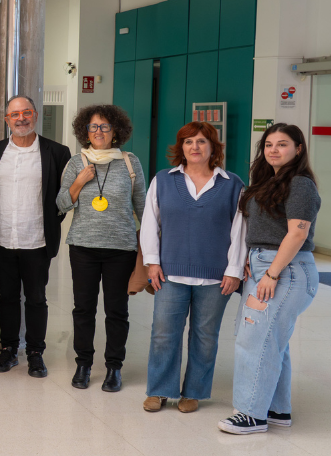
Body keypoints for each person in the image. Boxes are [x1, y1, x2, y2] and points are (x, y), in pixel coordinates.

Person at [219, 123, 320, 435]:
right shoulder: (271, 181)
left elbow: (298, 232)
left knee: (254, 340)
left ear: (298, 149)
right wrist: (251, 260)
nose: (274, 150)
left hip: (285, 271)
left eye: (283, 144)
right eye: (269, 145)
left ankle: (251, 414)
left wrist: (272, 272)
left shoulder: (300, 184)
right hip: (265, 265)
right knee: (274, 341)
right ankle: (276, 409)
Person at [141, 121, 245, 413]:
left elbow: (241, 230)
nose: (194, 147)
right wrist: (152, 262)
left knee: (205, 336)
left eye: (201, 141)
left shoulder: (232, 184)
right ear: (181, 148)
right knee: (163, 332)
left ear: (213, 147)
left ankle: (194, 392)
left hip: (215, 276)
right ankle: (160, 390)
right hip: (169, 273)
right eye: (188, 142)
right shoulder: (163, 180)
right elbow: (150, 223)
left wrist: (234, 270)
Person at [56, 104, 145, 393]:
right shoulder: (75, 163)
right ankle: (83, 364)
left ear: (116, 131)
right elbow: (61, 204)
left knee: (116, 311)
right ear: (85, 131)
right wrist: (79, 182)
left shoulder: (131, 163)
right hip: (83, 246)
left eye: (104, 127)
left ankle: (113, 367)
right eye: (93, 127)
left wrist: (151, 250)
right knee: (83, 309)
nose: (98, 132)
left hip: (121, 248)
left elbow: (143, 207)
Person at [0, 96, 72, 379]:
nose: (20, 118)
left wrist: (51, 222)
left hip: (37, 239)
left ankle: (35, 353)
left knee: (36, 298)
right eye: (14, 114)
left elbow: (64, 196)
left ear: (35, 115)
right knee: (7, 296)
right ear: (6, 119)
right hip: (1, 237)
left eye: (26, 113)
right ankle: (9, 348)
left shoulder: (57, 152)